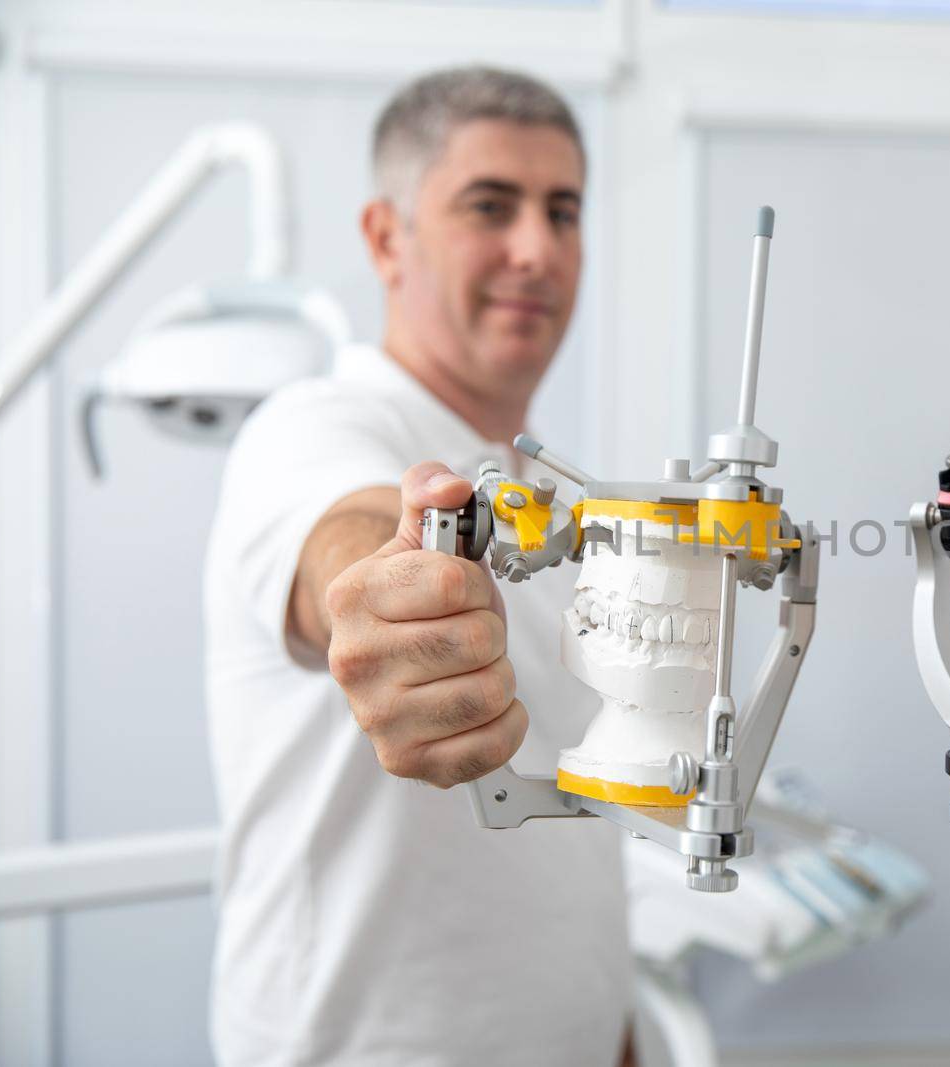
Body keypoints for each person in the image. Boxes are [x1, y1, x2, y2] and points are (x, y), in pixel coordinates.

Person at [204, 67, 632, 1065]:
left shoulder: (551, 496)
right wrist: (382, 606)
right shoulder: (315, 425)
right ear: (387, 237)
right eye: (491, 205)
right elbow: (342, 542)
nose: (536, 248)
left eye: (562, 212)